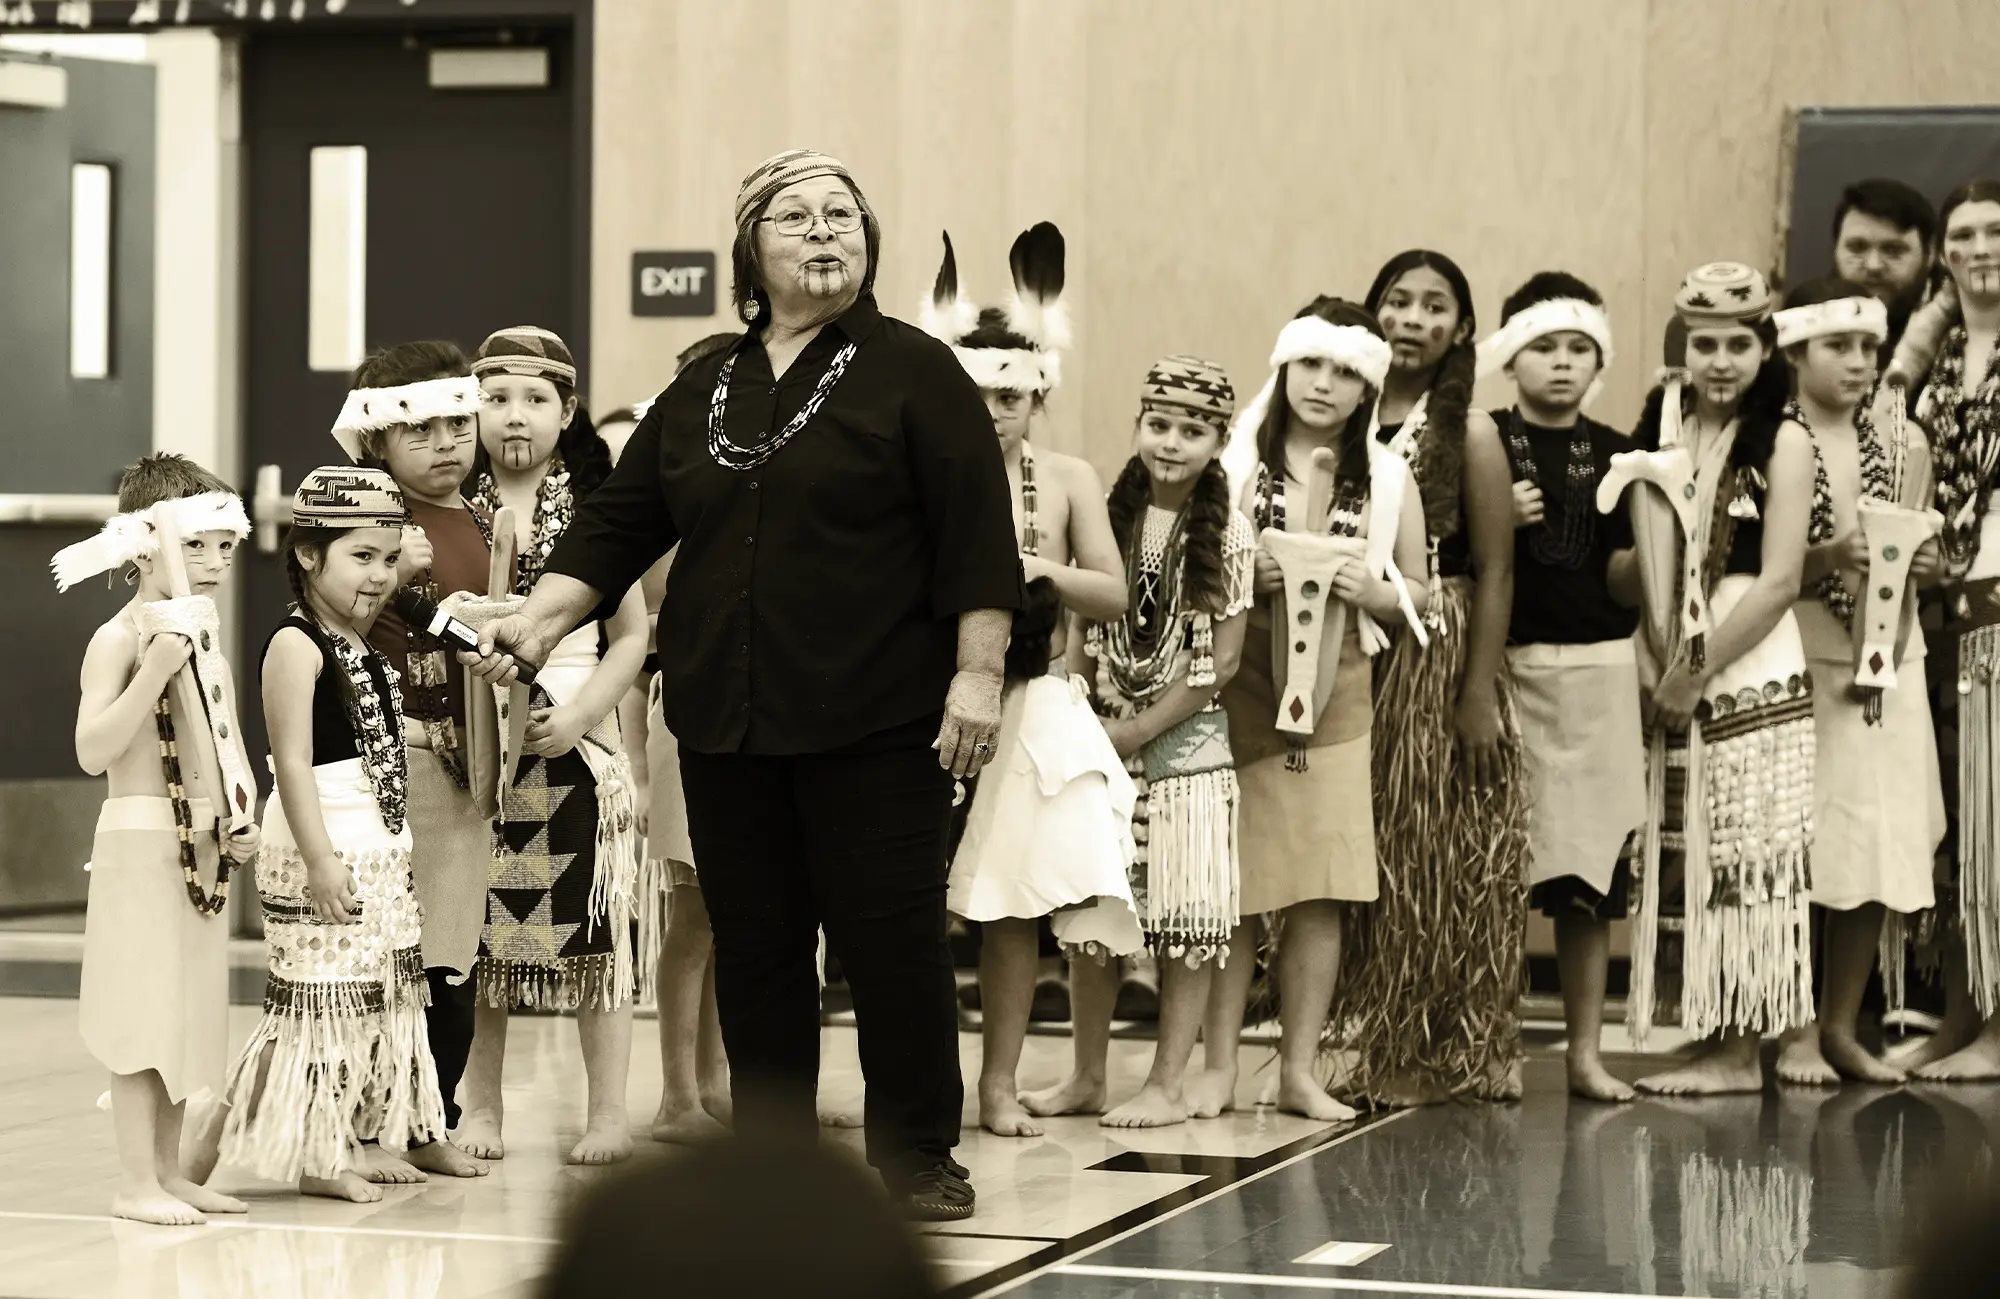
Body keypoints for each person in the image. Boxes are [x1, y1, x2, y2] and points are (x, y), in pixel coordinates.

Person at [461, 149, 1022, 1221]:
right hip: (727, 717)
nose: (825, 234)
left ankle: (915, 1154)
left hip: (878, 712)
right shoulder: (704, 384)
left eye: (843, 218)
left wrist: (977, 676)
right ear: (749, 253)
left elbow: (976, 536)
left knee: (890, 941)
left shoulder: (915, 370)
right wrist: (533, 623)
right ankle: (770, 1157)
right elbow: (620, 522)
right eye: (797, 219)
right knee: (755, 946)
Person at [920, 222, 1133, 1139]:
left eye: (1012, 394)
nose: (996, 409)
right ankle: (914, 1086)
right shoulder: (917, 470)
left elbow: (1115, 591)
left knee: (1010, 906)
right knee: (909, 903)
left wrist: (1031, 574)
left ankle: (997, 1084)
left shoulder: (1073, 476)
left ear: (1038, 390)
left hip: (1034, 701)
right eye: (978, 393)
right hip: (925, 703)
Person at [1207, 298, 1428, 1122]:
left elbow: (1421, 593)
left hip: (1337, 693)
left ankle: (1300, 1068)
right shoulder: (1234, 464)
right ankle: (1217, 1066)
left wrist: (1368, 587)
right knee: (1232, 883)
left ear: (1368, 385)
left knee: (1318, 887)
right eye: (1312, 365)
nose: (1325, 385)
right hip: (1237, 688)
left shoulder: (1387, 473)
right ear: (1285, 366)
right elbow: (1193, 568)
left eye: (1345, 372)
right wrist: (1243, 575)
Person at [1026, 354, 1254, 1130]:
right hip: (1100, 731)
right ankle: (1087, 1075)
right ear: (1138, 427)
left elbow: (1218, 664)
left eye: (1192, 430)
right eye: (1158, 424)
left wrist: (1135, 730)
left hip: (1187, 751)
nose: (1171, 442)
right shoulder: (1112, 517)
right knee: (1094, 918)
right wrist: (1084, 711)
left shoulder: (1234, 532)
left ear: (1219, 440)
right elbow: (1083, 625)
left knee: (1186, 922)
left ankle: (1164, 1082)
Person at [215, 466, 449, 1201]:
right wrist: (319, 858)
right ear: (309, 553)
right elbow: (291, 762)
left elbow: (364, 736)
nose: (378, 576)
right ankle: (315, 1153)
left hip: (372, 849)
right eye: (361, 556)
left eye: (387, 558)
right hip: (322, 845)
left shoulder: (361, 646)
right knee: (320, 1001)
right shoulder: (297, 643)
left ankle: (343, 1133)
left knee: (365, 1002)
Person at [1329, 250, 1529, 1106]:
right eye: (1397, 301)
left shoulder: (1471, 431)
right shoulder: (1333, 411)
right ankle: (1371, 1030)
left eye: (1434, 305)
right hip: (1342, 645)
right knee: (1361, 853)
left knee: (1429, 859)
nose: (1412, 318)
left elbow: (1496, 568)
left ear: (1461, 329)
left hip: (1432, 648)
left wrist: (1475, 692)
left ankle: (1445, 1043)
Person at [455, 325, 647, 1167]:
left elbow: (633, 636)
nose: (514, 417)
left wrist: (580, 719)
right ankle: (481, 1099)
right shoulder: (452, 509)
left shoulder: (605, 512)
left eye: (535, 399)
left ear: (568, 411)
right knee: (481, 933)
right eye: (495, 399)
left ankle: (608, 1110)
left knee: (594, 936)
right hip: (473, 740)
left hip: (577, 731)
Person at [1623, 263, 1817, 1097]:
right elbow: (1624, 563)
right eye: (1705, 343)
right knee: (1686, 843)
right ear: (1683, 348)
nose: (1721, 360)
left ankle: (1743, 1049)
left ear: (1765, 346)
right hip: (1671, 651)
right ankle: (1710, 1022)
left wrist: (1696, 671)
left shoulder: (1787, 439)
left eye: (1740, 343)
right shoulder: (1660, 426)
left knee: (1745, 843)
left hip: (1747, 661)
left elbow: (1778, 580)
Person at [52, 455, 259, 1225]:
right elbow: (92, 747)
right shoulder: (119, 638)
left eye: (226, 547)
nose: (215, 563)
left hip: (198, 844)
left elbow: (224, 744)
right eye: (198, 544)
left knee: (184, 1014)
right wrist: (153, 671)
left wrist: (242, 817)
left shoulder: (202, 637)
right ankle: (135, 1178)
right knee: (139, 1014)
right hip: (140, 841)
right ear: (146, 546)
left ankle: (169, 1172)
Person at [316, 340, 494, 1178]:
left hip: (468, 773)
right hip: (384, 764)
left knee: (451, 958)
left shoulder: (492, 521)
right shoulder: (358, 521)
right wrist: (394, 572)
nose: (445, 442)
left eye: (458, 422)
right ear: (375, 443)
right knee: (376, 956)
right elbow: (322, 621)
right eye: (418, 429)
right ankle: (353, 1130)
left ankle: (431, 1121)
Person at [1469, 272, 1646, 1103]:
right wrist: (1498, 518)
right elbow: (1448, 555)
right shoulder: (1482, 441)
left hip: (1602, 677)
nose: (1563, 364)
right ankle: (1493, 1042)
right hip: (1507, 672)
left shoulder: (1619, 453)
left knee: (1593, 878)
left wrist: (1659, 554)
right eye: (1545, 347)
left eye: (1580, 349)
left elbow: (1619, 581)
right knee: (1502, 870)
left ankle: (1584, 1051)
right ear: (1511, 356)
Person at [1770, 276, 1946, 1087]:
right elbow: (1764, 569)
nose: (1859, 362)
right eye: (1839, 345)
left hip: (1889, 664)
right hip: (1806, 657)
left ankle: (1842, 1024)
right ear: (1797, 350)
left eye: (1870, 346)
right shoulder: (1776, 438)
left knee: (1871, 848)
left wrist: (1923, 568)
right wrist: (1828, 558)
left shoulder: (1905, 442)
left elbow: (1912, 554)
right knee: (1804, 850)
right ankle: (1795, 1026)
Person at [1887, 180, 2000, 1079]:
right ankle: (1964, 1015)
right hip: (1942, 612)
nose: (1981, 245)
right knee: (1961, 825)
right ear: (1941, 252)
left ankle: (1999, 1029)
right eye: (1964, 232)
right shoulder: (1929, 361)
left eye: (1999, 230)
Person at [1832, 179, 1938, 354]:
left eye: (1893, 250)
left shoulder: (1967, 332)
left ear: (1930, 254)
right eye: (1857, 248)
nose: (1874, 266)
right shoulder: (1802, 328)